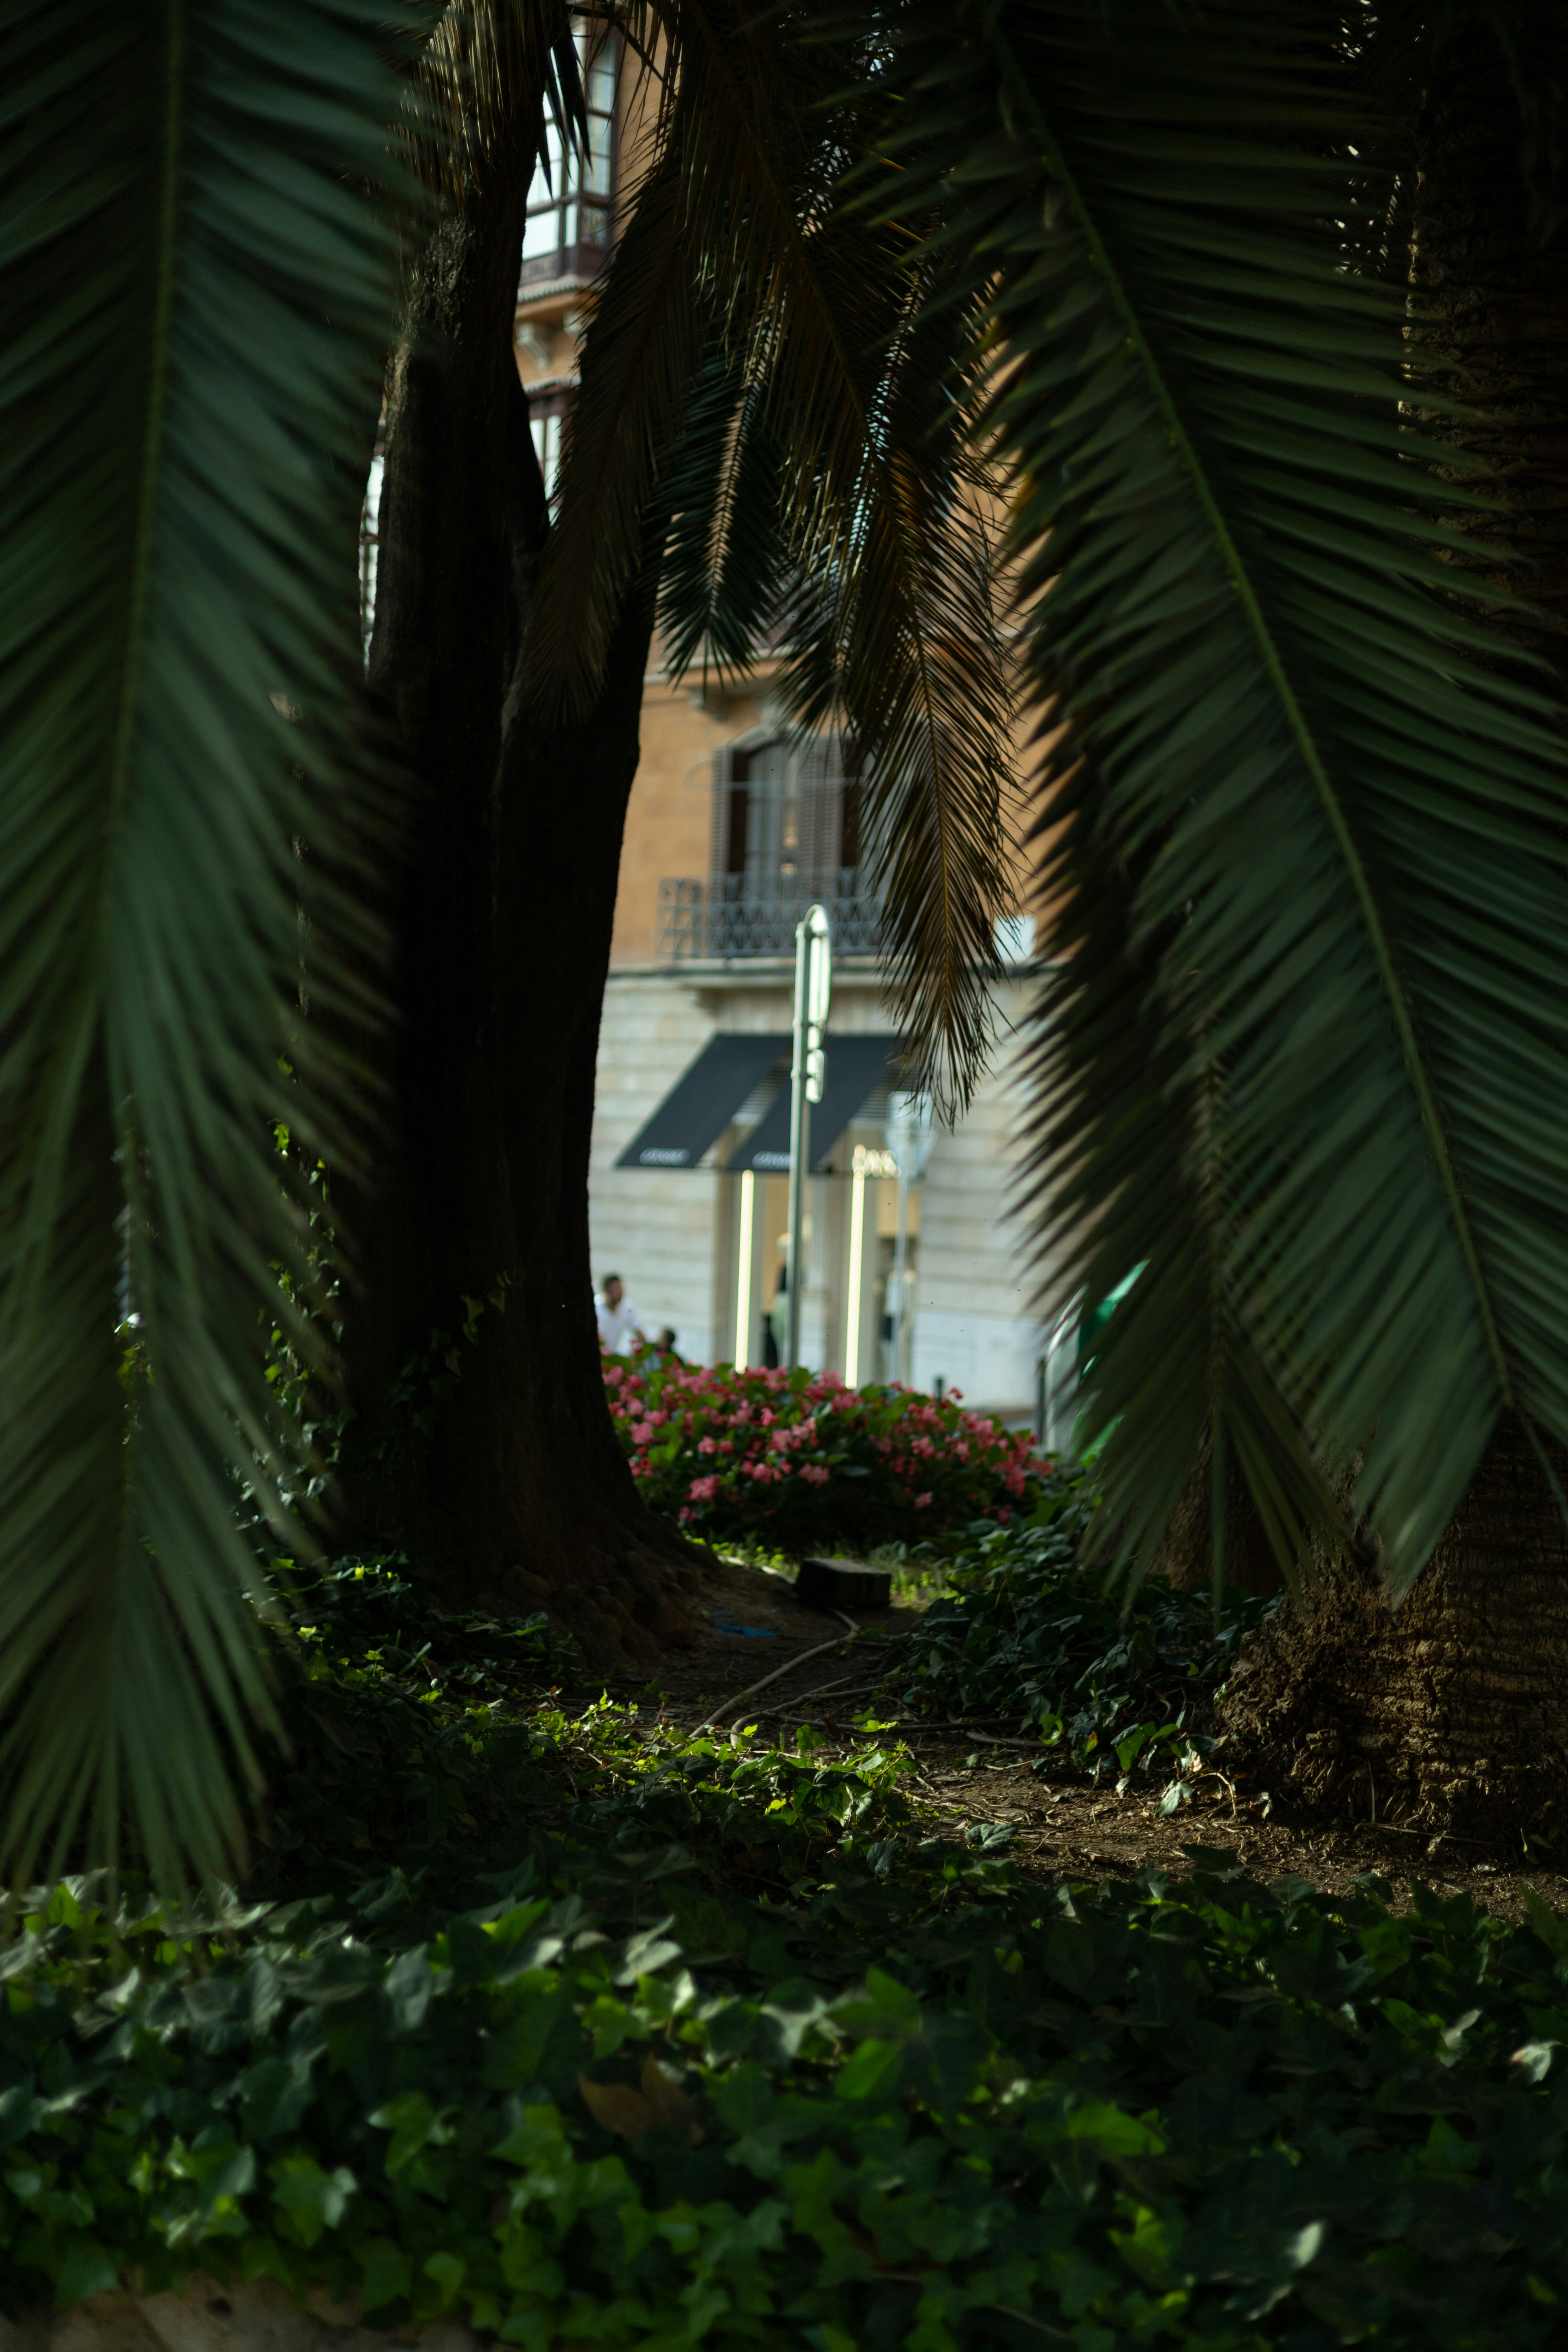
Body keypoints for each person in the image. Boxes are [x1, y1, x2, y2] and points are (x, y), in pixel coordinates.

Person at [594, 1272, 645, 1355]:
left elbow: (638, 1331)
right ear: (606, 1290)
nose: (620, 1292)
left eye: (621, 1288)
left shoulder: (627, 1307)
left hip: (611, 1356)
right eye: (616, 1289)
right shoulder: (595, 1307)